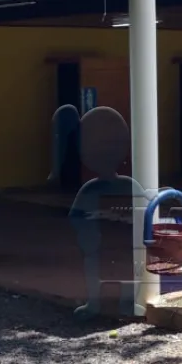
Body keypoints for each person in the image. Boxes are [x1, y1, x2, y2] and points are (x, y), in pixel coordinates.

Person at [67, 106, 145, 320]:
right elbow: (76, 217)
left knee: (131, 264)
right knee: (92, 262)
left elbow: (145, 213)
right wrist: (88, 232)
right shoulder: (90, 190)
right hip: (98, 245)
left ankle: (127, 301)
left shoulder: (129, 186)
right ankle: (94, 302)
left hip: (126, 246)